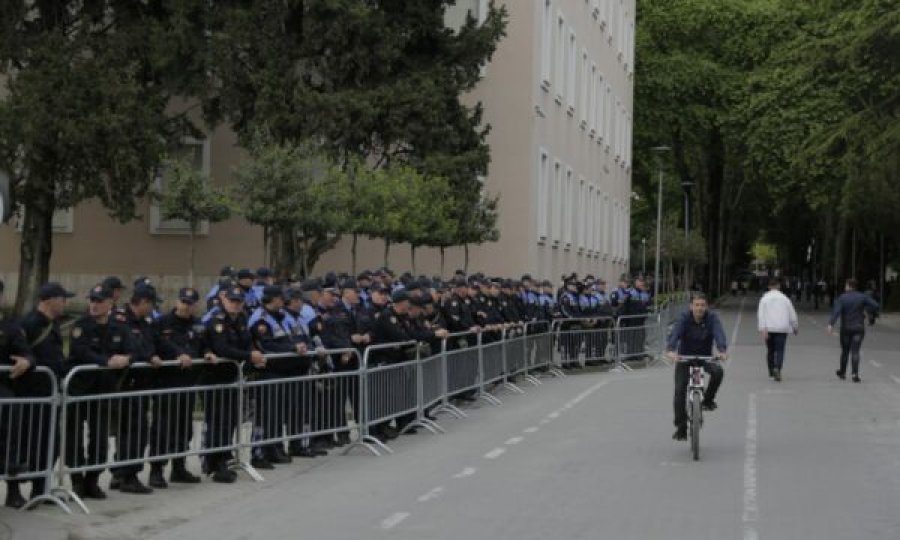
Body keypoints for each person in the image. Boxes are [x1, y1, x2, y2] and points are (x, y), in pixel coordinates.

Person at [12, 282, 74, 506]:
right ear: (50, 300)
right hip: (29, 394)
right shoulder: (29, 324)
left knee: (49, 443)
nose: (65, 302)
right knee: (21, 444)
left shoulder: (53, 324)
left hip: (49, 394)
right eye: (62, 298)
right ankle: (14, 491)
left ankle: (40, 488)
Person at [666, 293, 728, 441]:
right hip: (685, 358)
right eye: (697, 305)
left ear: (706, 307)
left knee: (718, 371)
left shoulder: (712, 318)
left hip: (705, 357)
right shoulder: (684, 318)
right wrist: (671, 350)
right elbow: (675, 334)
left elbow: (719, 334)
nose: (699, 308)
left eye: (702, 305)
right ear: (691, 306)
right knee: (679, 391)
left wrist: (722, 350)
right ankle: (681, 428)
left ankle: (707, 400)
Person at [0, 279, 36, 508]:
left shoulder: (11, 327)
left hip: (3, 389)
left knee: (10, 434)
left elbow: (28, 354)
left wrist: (27, 361)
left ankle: (13, 491)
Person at [827, 278, 880, 383]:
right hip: (859, 328)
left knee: (845, 351)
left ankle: (842, 372)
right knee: (855, 351)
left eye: (845, 285)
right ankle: (855, 374)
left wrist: (830, 324)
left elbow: (836, 312)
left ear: (848, 286)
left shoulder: (842, 298)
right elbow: (876, 305)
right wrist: (867, 312)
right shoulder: (862, 297)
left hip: (846, 329)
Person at [757, 278, 799, 382]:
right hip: (782, 328)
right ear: (779, 286)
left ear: (769, 287)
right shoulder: (785, 299)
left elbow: (761, 315)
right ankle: (778, 368)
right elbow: (792, 314)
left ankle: (771, 372)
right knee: (780, 350)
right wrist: (795, 326)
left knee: (770, 350)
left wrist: (762, 328)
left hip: (769, 328)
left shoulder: (764, 299)